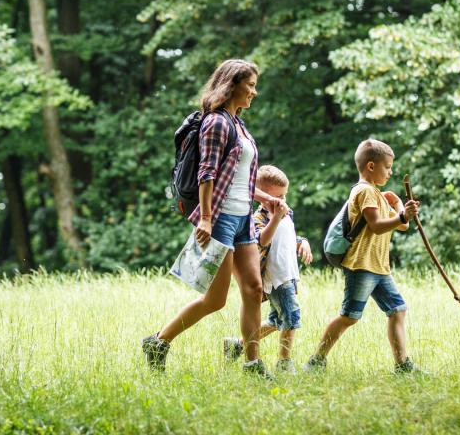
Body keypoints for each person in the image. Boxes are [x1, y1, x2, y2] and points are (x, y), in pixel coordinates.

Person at [142, 59, 279, 377]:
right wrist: (204, 217)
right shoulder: (216, 122)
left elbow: (241, 176)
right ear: (232, 83)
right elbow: (207, 173)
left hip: (243, 217)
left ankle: (252, 363)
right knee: (216, 300)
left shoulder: (239, 124)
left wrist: (266, 198)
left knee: (254, 289)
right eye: (250, 85)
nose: (254, 92)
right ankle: (159, 341)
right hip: (219, 217)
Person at [304, 139, 421, 373]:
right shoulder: (364, 192)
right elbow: (378, 225)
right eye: (387, 167)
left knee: (397, 310)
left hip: (379, 268)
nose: (391, 171)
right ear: (370, 166)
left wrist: (399, 205)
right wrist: (402, 216)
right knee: (349, 316)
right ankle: (316, 361)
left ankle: (402, 366)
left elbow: (402, 226)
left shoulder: (376, 194)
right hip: (361, 266)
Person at [223, 165, 312, 373]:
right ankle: (284, 362)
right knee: (291, 317)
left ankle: (237, 344)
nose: (283, 201)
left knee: (275, 319)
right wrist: (275, 217)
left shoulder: (287, 213)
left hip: (289, 273)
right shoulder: (258, 218)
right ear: (262, 198)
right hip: (274, 276)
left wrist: (302, 241)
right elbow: (262, 240)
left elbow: (287, 237)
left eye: (284, 195)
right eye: (277, 197)